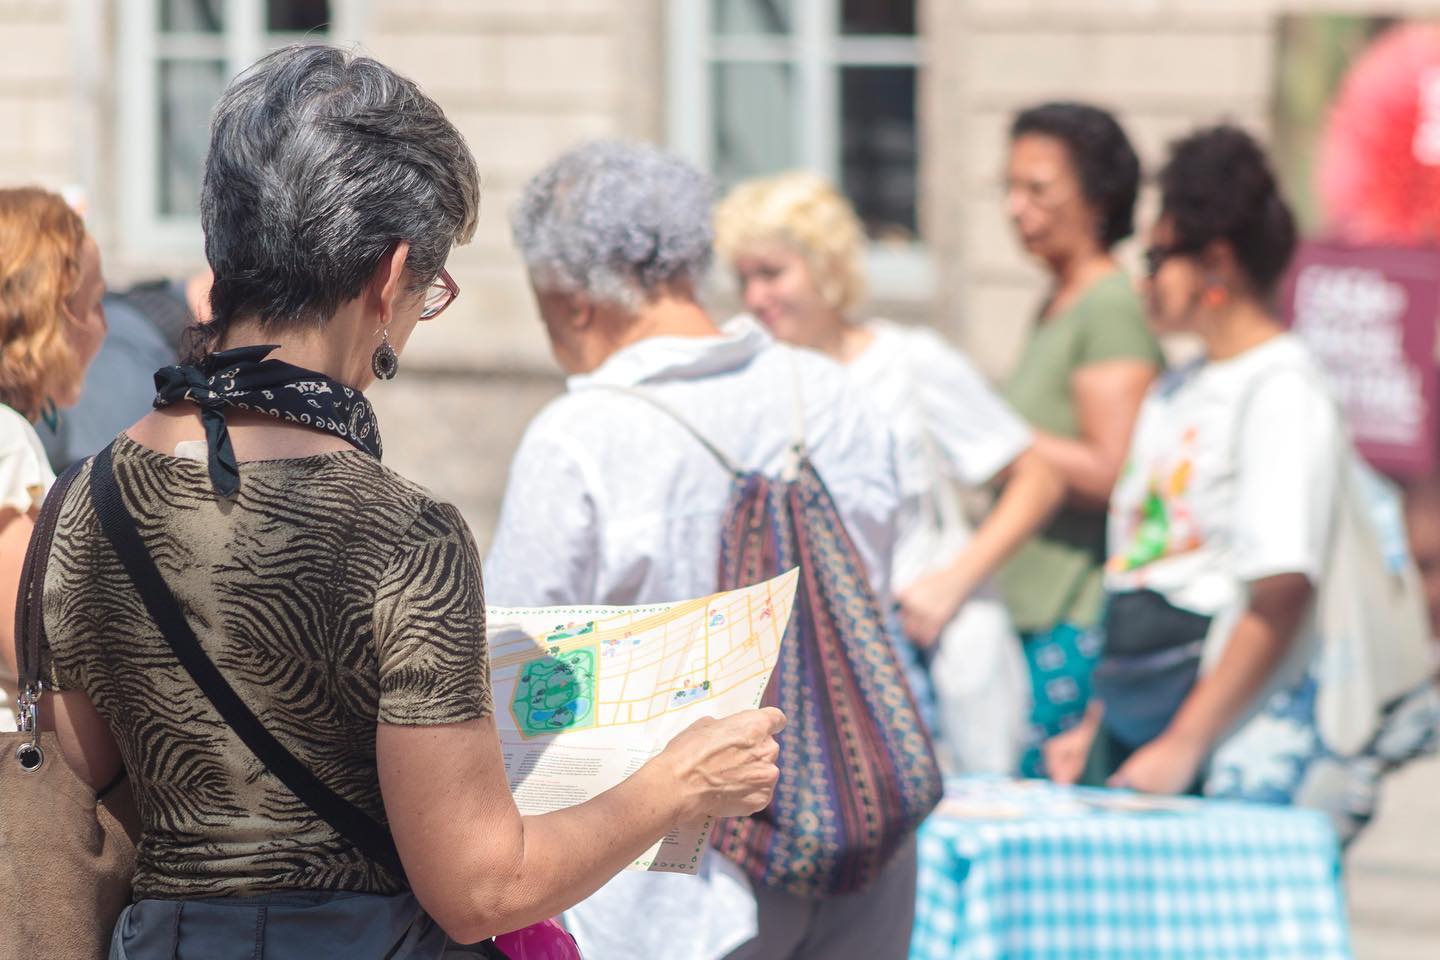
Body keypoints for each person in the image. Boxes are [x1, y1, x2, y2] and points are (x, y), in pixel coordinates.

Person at [37, 45, 782, 957]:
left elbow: (85, 777)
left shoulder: (83, 498)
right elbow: (480, 884)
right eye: (427, 290)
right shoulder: (401, 535)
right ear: (388, 278)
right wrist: (678, 782)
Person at [487, 142, 915, 960]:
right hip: (855, 833)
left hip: (665, 889)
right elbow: (876, 582)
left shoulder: (581, 435)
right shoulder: (829, 391)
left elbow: (516, 675)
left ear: (574, 301)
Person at [713, 170, 1064, 774]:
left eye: (772, 273)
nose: (755, 297)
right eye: (745, 278)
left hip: (921, 653)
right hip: (805, 667)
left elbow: (1037, 477)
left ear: (827, 267)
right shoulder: (748, 381)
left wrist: (951, 583)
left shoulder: (910, 362)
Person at [1043, 125, 1336, 794]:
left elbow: (1280, 589)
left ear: (1215, 263)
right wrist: (1097, 724)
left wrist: (1184, 743)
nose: (1140, 278)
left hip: (1219, 739)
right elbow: (1141, 561)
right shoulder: (1179, 385)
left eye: (1154, 258)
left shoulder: (1281, 389)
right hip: (1138, 712)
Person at [998, 102, 1164, 774]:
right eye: (1008, 189)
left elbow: (1115, 468)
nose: (1015, 209)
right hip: (1032, 604)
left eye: (1037, 190)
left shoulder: (1111, 307)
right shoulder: (1057, 300)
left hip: (1074, 610)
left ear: (1098, 197)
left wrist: (1000, 442)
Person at [0, 186, 108, 732]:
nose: (103, 329)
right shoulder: (7, 443)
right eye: (92, 305)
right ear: (48, 316)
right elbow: (35, 661)